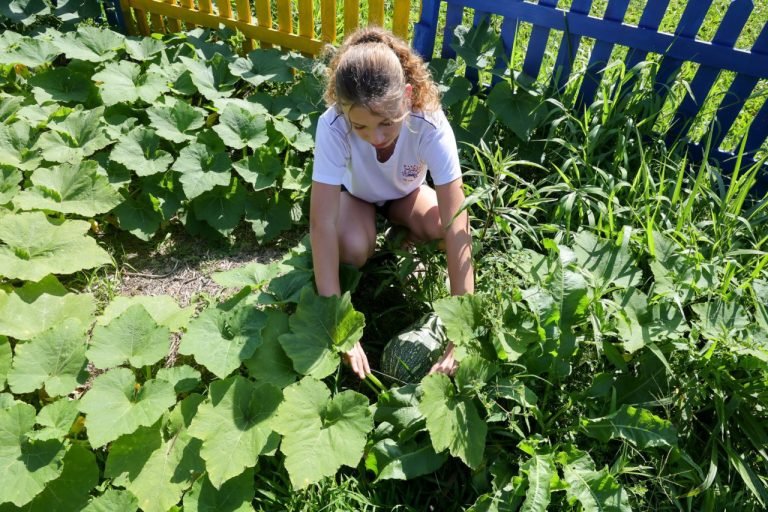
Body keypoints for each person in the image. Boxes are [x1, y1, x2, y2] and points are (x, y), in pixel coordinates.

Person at [310, 26, 474, 379]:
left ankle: (403, 239)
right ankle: (381, 240)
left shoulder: (429, 123)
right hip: (356, 197)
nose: (376, 138)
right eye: (361, 127)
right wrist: (338, 321)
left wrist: (461, 333)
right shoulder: (333, 126)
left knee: (438, 227)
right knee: (352, 248)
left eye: (387, 122)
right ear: (342, 111)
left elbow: (457, 222)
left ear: (408, 95)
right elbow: (320, 224)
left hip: (406, 194)